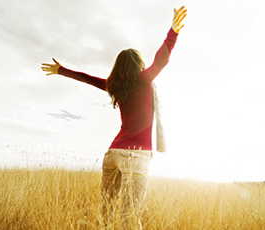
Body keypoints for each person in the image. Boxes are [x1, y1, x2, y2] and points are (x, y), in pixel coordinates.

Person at [41, 6, 187, 229]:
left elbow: (88, 78)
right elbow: (161, 60)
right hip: (136, 156)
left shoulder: (114, 85)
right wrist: (173, 32)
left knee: (106, 214)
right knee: (129, 219)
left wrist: (61, 70)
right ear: (138, 64)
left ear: (118, 67)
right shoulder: (144, 80)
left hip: (113, 153)